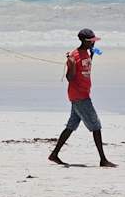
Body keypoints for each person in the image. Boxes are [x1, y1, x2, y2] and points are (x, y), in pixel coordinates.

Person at [49, 29, 117, 168]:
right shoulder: (74, 56)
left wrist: (92, 55)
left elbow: (85, 67)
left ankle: (54, 154)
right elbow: (70, 78)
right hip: (80, 96)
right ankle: (103, 160)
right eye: (92, 41)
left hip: (81, 94)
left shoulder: (87, 52)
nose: (94, 43)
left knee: (71, 126)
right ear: (86, 41)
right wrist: (71, 64)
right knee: (96, 126)